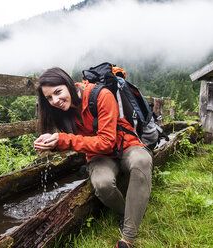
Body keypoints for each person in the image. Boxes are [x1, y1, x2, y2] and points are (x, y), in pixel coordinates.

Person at [34, 67, 153, 248]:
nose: (55, 101)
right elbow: (75, 141)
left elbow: (106, 141)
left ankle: (128, 236)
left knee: (141, 161)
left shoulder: (101, 95)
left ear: (68, 84)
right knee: (102, 184)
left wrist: (63, 140)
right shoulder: (61, 111)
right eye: (49, 98)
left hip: (126, 144)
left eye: (58, 92)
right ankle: (125, 212)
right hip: (98, 155)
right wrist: (52, 143)